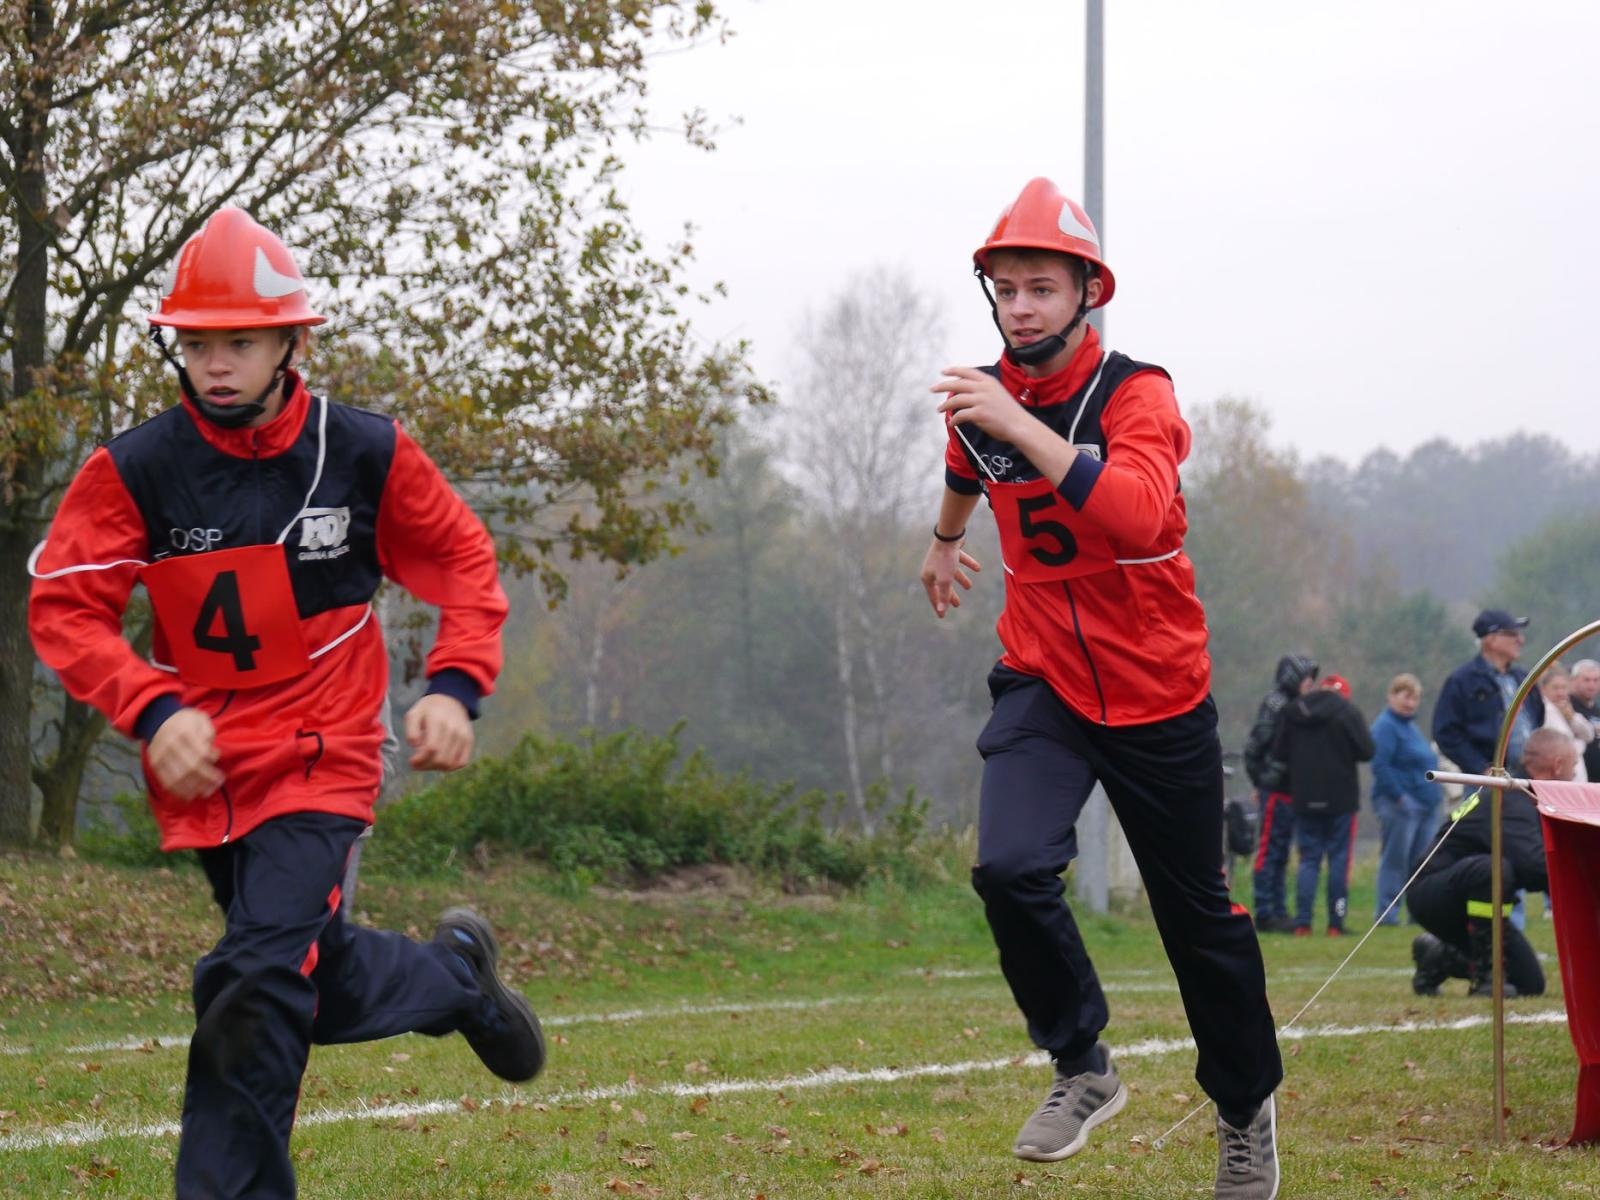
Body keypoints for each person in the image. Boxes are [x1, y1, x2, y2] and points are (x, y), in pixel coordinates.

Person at [27, 207, 544, 1200]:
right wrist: (150, 706)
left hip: (327, 757)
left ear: (288, 343)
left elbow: (465, 566)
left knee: (253, 983)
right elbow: (65, 605)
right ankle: (456, 980)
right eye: (198, 344)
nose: (218, 364)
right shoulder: (135, 469)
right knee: (304, 972)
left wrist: (453, 687)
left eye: (241, 342)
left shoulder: (363, 454)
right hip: (210, 771)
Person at [919, 177, 1282, 1199]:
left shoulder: (1136, 394)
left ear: (1087, 293)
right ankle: (1081, 1066)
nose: (1022, 305)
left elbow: (1130, 513)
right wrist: (944, 543)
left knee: (1196, 923)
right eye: (1006, 287)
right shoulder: (983, 399)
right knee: (1007, 868)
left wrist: (1025, 428)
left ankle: (1245, 1107)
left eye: (1042, 286)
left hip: (1157, 692)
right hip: (1041, 680)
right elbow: (964, 457)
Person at [1409, 726, 1569, 998]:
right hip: (1432, 893)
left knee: (1530, 983)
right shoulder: (1513, 800)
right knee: (1494, 870)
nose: (1574, 774)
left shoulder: (1521, 796)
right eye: (1573, 766)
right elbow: (1535, 867)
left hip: (1466, 894)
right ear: (1557, 766)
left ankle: (1438, 957)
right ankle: (1487, 978)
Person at [1273, 674, 1374, 936]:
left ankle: (1303, 923)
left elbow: (1279, 752)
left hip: (1304, 796)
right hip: (1341, 798)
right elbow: (1367, 751)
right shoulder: (1347, 711)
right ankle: (1335, 923)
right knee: (1339, 859)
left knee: (1309, 859)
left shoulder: (1294, 712)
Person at [1243, 655, 1319, 932]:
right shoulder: (1276, 705)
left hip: (1291, 790)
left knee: (1282, 853)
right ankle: (1265, 912)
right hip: (1276, 791)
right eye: (1306, 677)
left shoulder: (1298, 707)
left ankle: (1278, 910)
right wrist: (1262, 781)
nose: (1311, 683)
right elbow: (1254, 747)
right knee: (1269, 851)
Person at [1432, 608, 1544, 778]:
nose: (1521, 640)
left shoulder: (1523, 678)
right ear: (1492, 640)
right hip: (1486, 784)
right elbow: (1446, 733)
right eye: (1513, 634)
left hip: (1527, 780)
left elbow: (1539, 720)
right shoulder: (1462, 681)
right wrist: (1481, 768)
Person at [1369, 673, 1442, 925]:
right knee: (1395, 860)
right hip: (1399, 806)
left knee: (1420, 864)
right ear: (1392, 696)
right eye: (1405, 696)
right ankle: (1387, 914)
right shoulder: (1385, 727)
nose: (1410, 703)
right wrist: (1400, 798)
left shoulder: (1410, 727)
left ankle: (1416, 912)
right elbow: (1380, 765)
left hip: (1425, 805)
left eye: (1415, 698)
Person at [1536, 662, 1593, 781]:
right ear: (1543, 690)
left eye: (1563, 688)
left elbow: (1589, 734)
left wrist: (1571, 717)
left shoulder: (1568, 710)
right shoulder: (1542, 710)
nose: (1560, 693)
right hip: (1557, 775)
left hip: (1577, 775)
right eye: (1555, 688)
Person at [1568, 658, 1600, 781]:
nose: (1591, 685)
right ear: (1574, 681)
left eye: (1596, 680)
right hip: (1577, 778)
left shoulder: (1597, 711)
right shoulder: (1567, 707)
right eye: (1586, 680)